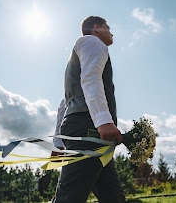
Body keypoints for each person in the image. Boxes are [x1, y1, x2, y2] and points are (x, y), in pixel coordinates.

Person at [53, 16, 125, 202]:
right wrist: (104, 121)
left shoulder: (82, 50)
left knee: (113, 197)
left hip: (87, 130)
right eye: (108, 27)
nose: (111, 32)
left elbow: (65, 103)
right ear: (96, 28)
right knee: (69, 198)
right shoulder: (92, 41)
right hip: (89, 130)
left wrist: (58, 142)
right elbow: (91, 77)